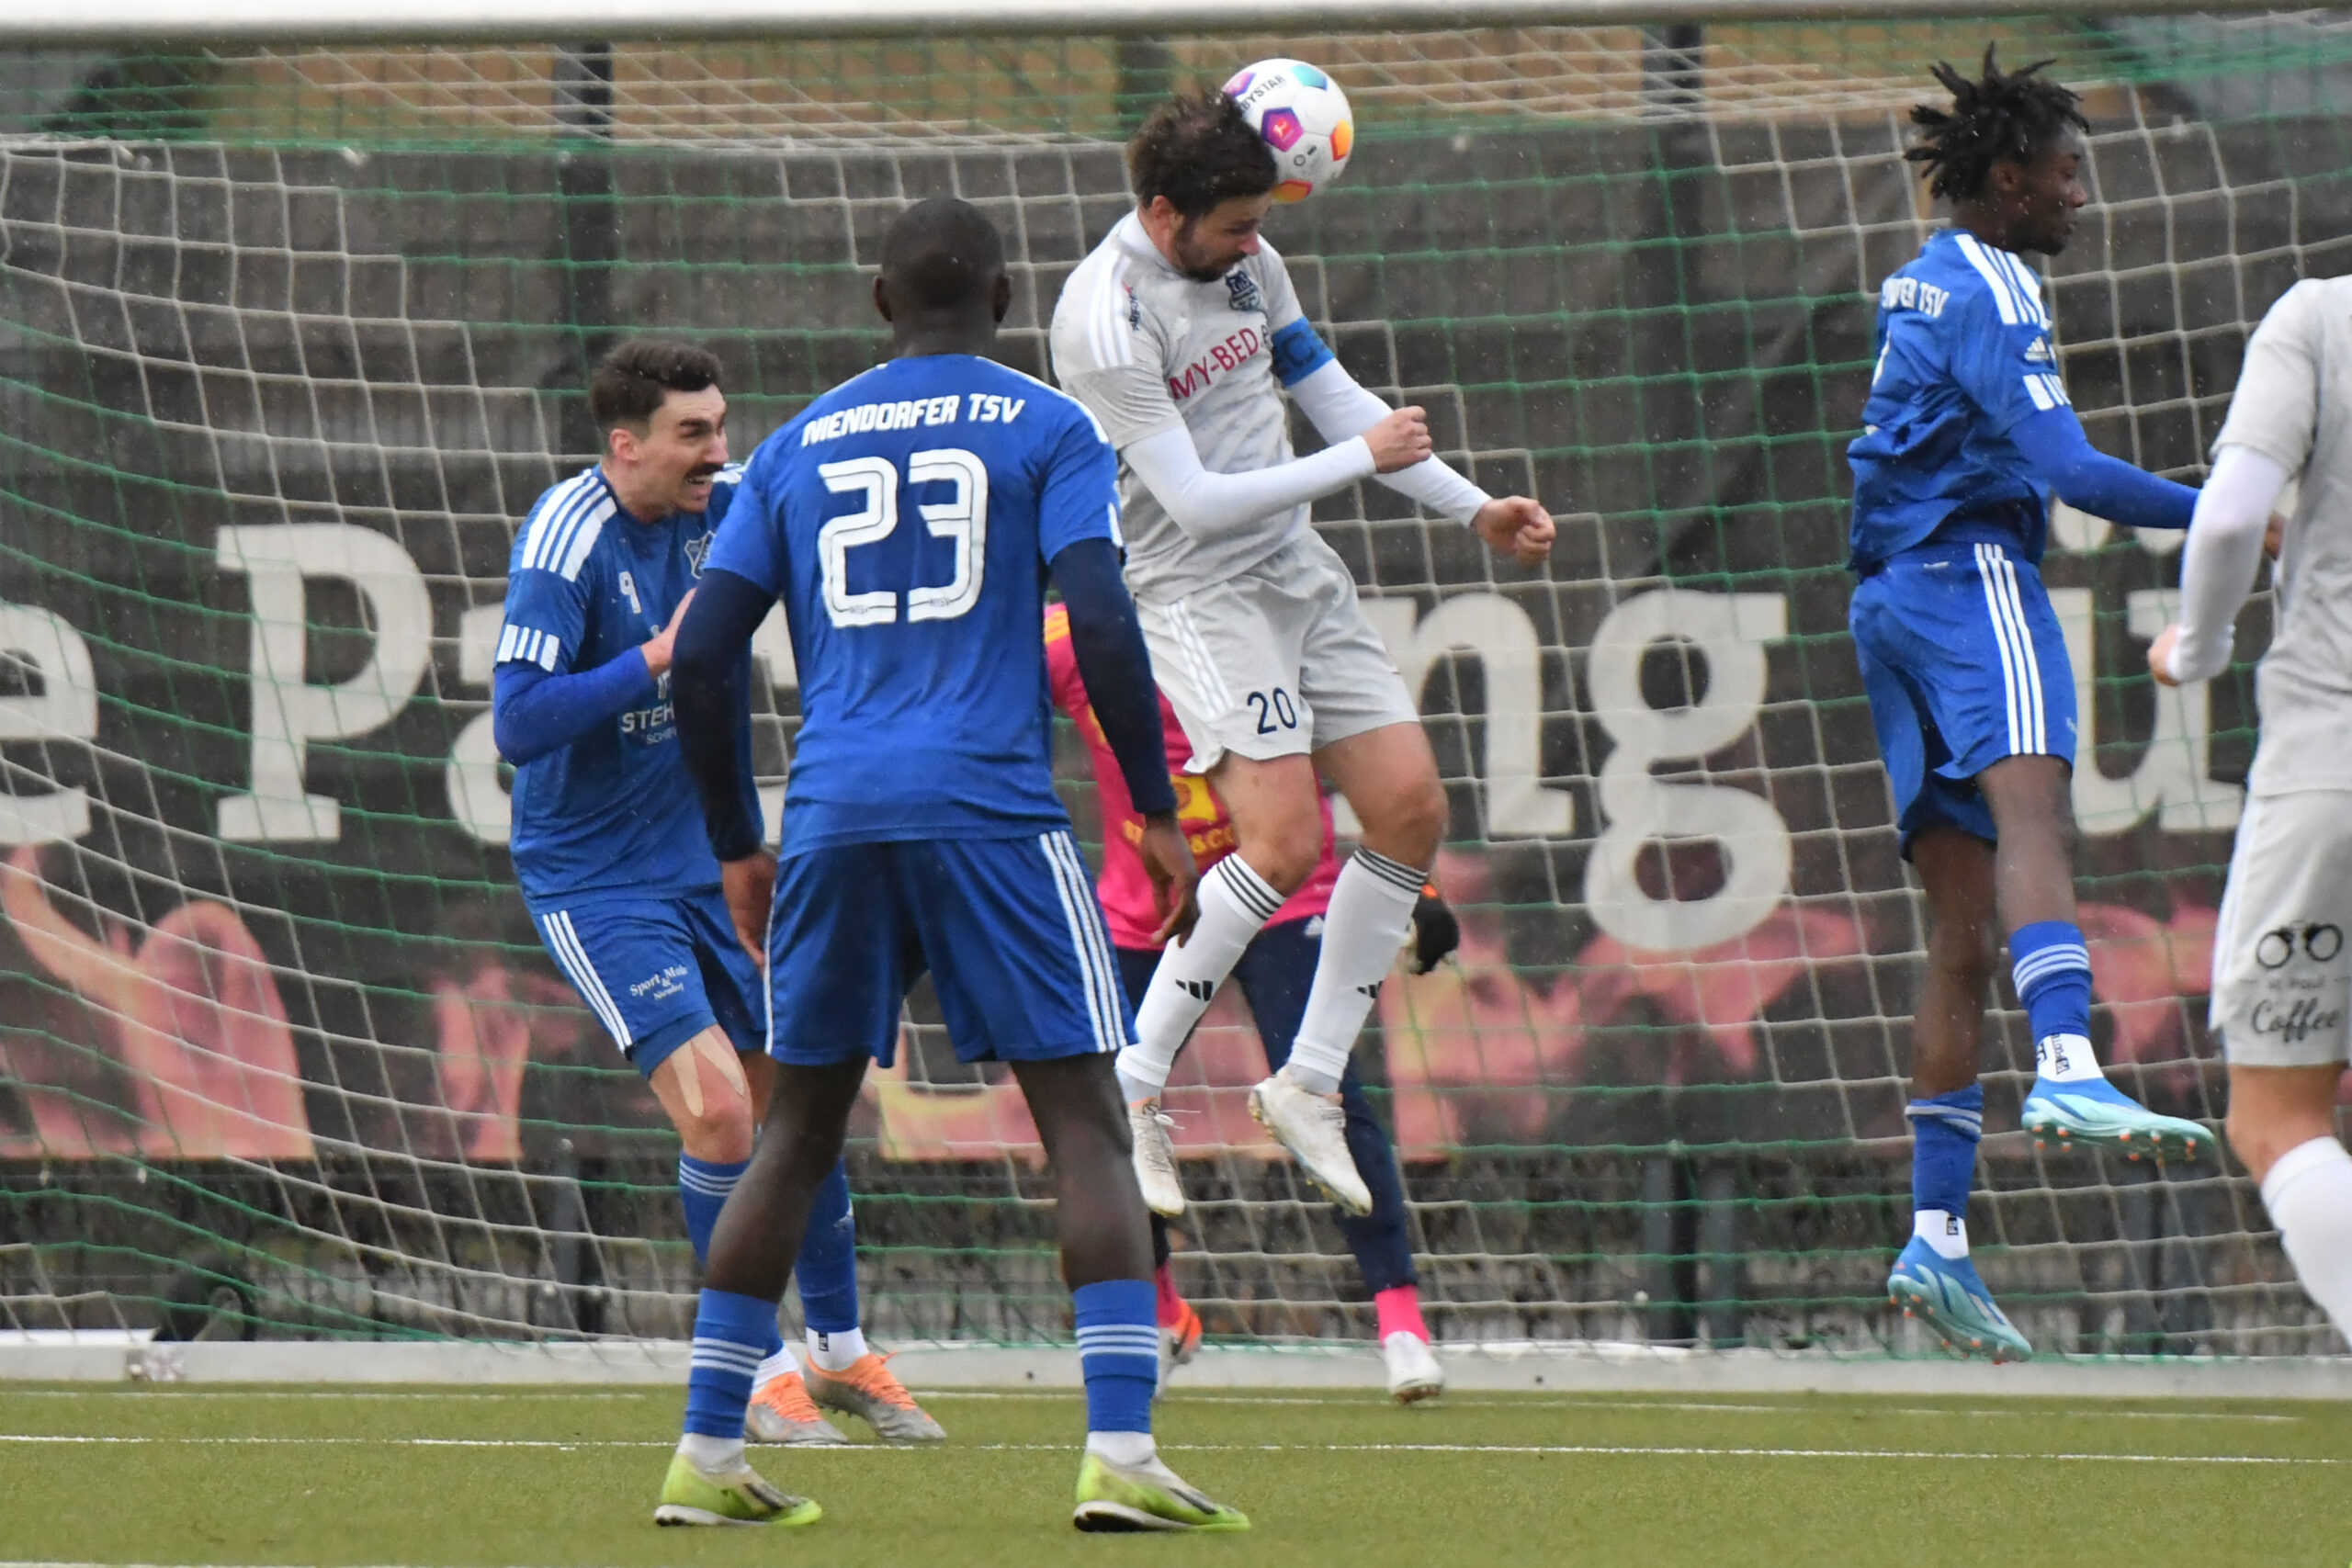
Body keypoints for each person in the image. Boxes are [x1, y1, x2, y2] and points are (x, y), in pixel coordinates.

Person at [656, 197, 1246, 1533]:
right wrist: (1155, 806)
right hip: (987, 810)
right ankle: (1118, 1451)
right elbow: (1099, 612)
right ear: (1004, 302)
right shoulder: (1050, 425)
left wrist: (736, 844)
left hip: (835, 813)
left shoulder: (798, 444)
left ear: (878, 301)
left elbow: (701, 655)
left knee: (797, 1130)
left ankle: (704, 1450)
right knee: (1085, 1120)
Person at [1048, 87, 1555, 1221]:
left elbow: (1329, 397)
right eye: (1234, 225)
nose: (1255, 243)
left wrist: (1469, 508)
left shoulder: (1249, 262)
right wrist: (1362, 464)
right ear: (1166, 210)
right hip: (1192, 588)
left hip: (1295, 576)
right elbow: (1193, 501)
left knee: (1411, 810)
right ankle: (1135, 1084)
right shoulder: (1103, 315)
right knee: (1280, 845)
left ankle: (1308, 1080)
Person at [492, 339, 941, 1447]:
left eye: (720, 427)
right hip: (595, 878)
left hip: (712, 861)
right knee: (719, 1113)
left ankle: (839, 1352)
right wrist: (657, 655)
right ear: (624, 444)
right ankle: (758, 1370)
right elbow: (517, 721)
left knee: (802, 1109)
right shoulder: (567, 536)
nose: (716, 451)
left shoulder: (736, 502)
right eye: (692, 434)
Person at [1845, 49, 2211, 1362]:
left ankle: (1935, 1239)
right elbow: (2070, 471)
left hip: (1886, 596)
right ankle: (2068, 1058)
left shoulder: (1926, 275)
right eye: (2067, 174)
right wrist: (2237, 517)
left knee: (1957, 928)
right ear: (2007, 179)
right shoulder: (1993, 281)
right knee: (2039, 802)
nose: (2080, 199)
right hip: (1965, 575)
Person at [1043, 603, 1454, 1403]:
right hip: (1149, 907)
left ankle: (1400, 1321)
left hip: (1284, 899)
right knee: (1107, 1108)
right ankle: (1159, 1310)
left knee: (1328, 1094)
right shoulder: (1071, 636)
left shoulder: (1256, 620)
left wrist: (1421, 881)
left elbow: (1360, 748)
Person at [2150, 272, 2352, 1344]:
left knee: (2277, 1115)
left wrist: (2202, 641)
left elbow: (2228, 521)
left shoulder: (2320, 318)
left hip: (2331, 763)